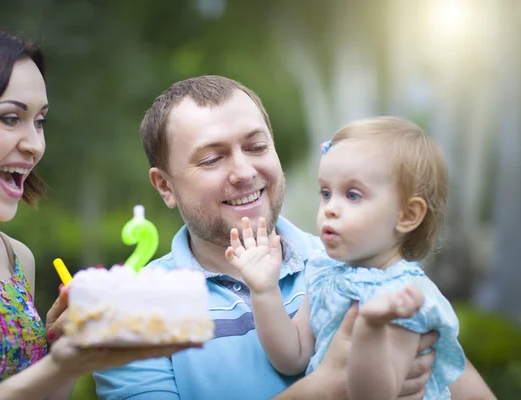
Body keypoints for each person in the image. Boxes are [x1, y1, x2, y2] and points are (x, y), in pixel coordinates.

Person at [93, 76, 495, 399]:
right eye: (213, 158)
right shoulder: (130, 313)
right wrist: (326, 387)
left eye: (256, 146)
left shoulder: (359, 264)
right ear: (164, 186)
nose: (244, 171)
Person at [0, 24, 191, 400]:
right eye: (10, 118)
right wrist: (59, 365)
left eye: (40, 121)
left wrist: (68, 354)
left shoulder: (17, 259)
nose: (34, 144)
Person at [225, 117, 465, 399]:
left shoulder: (405, 298)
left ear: (408, 215)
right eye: (326, 193)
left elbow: (378, 394)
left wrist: (370, 329)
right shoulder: (325, 272)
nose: (330, 208)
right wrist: (264, 290)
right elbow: (292, 357)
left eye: (352, 195)